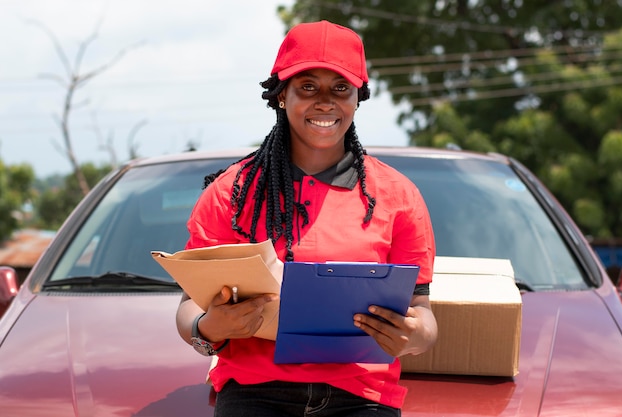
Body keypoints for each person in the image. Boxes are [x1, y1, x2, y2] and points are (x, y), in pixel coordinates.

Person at [175, 20, 437, 416]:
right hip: (254, 394)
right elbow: (188, 311)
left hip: (362, 398)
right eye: (308, 86)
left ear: (357, 98)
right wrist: (209, 328)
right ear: (282, 95)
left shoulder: (398, 196)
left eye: (340, 88)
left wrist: (415, 335)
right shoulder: (231, 194)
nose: (325, 102)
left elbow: (424, 313)